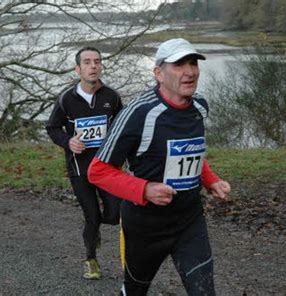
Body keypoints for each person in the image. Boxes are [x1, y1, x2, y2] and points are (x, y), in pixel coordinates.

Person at [88, 38, 231, 295]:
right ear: (158, 73)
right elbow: (97, 171)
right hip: (146, 226)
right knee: (134, 291)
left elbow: (192, 149)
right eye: (178, 64)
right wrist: (144, 189)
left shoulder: (200, 106)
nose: (189, 71)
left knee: (204, 291)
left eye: (193, 63)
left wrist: (210, 180)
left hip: (189, 220)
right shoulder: (138, 114)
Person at [46, 46, 123, 280]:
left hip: (107, 167)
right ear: (78, 69)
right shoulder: (66, 99)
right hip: (80, 169)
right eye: (87, 62)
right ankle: (91, 258)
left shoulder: (112, 97)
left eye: (97, 61)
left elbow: (123, 126)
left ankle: (95, 229)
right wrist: (68, 142)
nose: (93, 66)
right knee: (91, 216)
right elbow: (52, 127)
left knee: (114, 214)